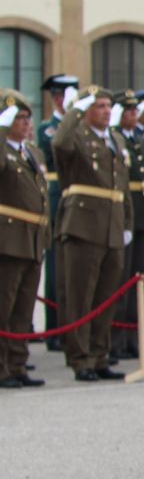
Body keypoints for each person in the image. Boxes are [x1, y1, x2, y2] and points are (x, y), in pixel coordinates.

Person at [53, 85, 131, 382]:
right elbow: (59, 143)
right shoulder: (76, 136)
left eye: (108, 106)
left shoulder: (116, 140)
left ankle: (99, 355)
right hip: (84, 225)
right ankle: (80, 358)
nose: (106, 111)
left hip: (112, 227)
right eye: (98, 106)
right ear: (86, 110)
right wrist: (74, 109)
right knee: (80, 296)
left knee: (105, 297)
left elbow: (122, 189)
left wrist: (125, 225)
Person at [0, 90, 49, 387]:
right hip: (9, 238)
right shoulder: (3, 152)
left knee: (24, 307)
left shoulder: (32, 152)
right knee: (3, 307)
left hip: (32, 238)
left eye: (27, 118)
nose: (25, 123)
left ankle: (17, 364)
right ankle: (1, 367)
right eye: (18, 118)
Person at [111, 91, 144, 360]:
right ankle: (115, 340)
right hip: (125, 218)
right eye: (127, 111)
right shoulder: (115, 141)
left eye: (134, 110)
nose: (133, 115)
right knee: (121, 283)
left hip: (140, 218)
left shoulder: (137, 141)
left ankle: (133, 340)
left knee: (139, 281)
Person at [36, 73, 77, 347]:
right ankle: (54, 327)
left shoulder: (78, 126)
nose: (64, 101)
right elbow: (57, 150)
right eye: (61, 96)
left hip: (78, 199)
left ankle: (71, 325)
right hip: (56, 195)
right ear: (55, 98)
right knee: (55, 265)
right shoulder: (46, 128)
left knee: (72, 266)